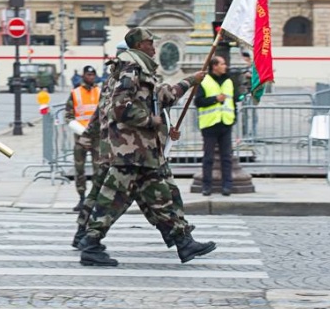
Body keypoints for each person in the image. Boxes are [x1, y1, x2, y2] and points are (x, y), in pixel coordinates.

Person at [79, 27, 217, 267]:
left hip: (143, 151)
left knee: (161, 196)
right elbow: (121, 108)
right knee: (112, 198)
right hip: (131, 150)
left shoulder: (143, 70)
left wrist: (189, 81)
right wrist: (150, 121)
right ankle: (90, 243)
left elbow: (163, 98)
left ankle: (184, 242)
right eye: (150, 43)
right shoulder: (130, 69)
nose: (154, 47)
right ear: (140, 45)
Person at [196, 56, 236, 196]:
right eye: (222, 63)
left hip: (225, 123)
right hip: (209, 124)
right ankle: (206, 186)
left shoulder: (229, 81)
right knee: (208, 157)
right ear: (214, 66)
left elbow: (233, 101)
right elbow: (198, 101)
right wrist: (215, 100)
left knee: (227, 157)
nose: (225, 66)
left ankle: (227, 186)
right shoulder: (205, 81)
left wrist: (233, 119)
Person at [65, 65, 100, 212]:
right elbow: (68, 115)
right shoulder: (75, 93)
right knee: (79, 169)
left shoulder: (100, 92)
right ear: (83, 76)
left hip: (97, 136)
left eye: (93, 75)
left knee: (99, 169)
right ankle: (81, 198)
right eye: (88, 75)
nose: (90, 77)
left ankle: (96, 198)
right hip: (81, 135)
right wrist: (79, 129)